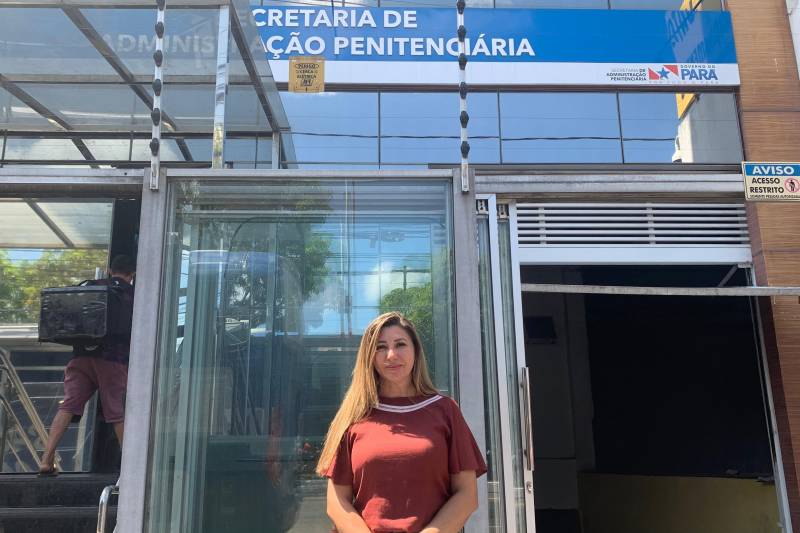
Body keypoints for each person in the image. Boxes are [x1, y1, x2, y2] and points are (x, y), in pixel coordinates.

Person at [317, 311, 486, 533]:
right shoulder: (353, 415)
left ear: (415, 350)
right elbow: (337, 502)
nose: (391, 355)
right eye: (380, 347)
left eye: (400, 344)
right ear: (370, 357)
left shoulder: (445, 410)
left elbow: (467, 495)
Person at [38, 255, 135, 476]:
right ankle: (130, 468)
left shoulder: (91, 286)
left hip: (80, 357)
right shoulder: (131, 294)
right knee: (117, 412)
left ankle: (46, 460)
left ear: (110, 270)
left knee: (68, 406)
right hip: (112, 360)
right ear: (132, 275)